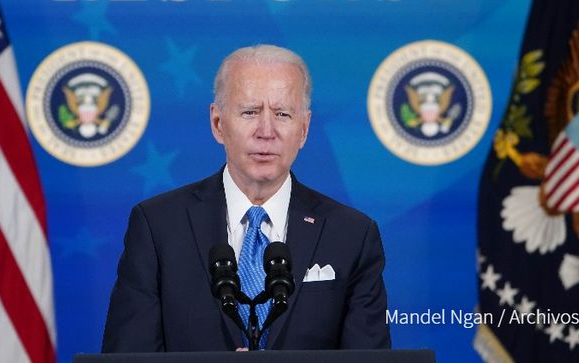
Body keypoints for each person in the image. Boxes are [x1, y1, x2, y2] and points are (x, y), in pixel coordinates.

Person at [102, 44, 391, 352]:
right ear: (218, 124)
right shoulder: (158, 227)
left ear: (304, 129)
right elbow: (128, 356)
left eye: (282, 114)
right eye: (250, 112)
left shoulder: (351, 235)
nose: (266, 131)